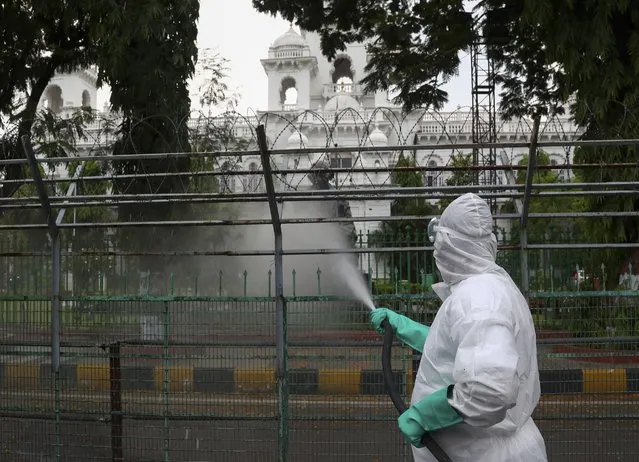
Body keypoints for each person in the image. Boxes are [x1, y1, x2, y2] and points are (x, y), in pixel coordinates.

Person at [371, 193, 548, 462]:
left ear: (450, 246)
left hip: (484, 454)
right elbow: (466, 351)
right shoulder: (492, 286)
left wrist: (425, 415)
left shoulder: (478, 297)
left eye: (439, 243)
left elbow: (489, 388)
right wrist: (404, 327)